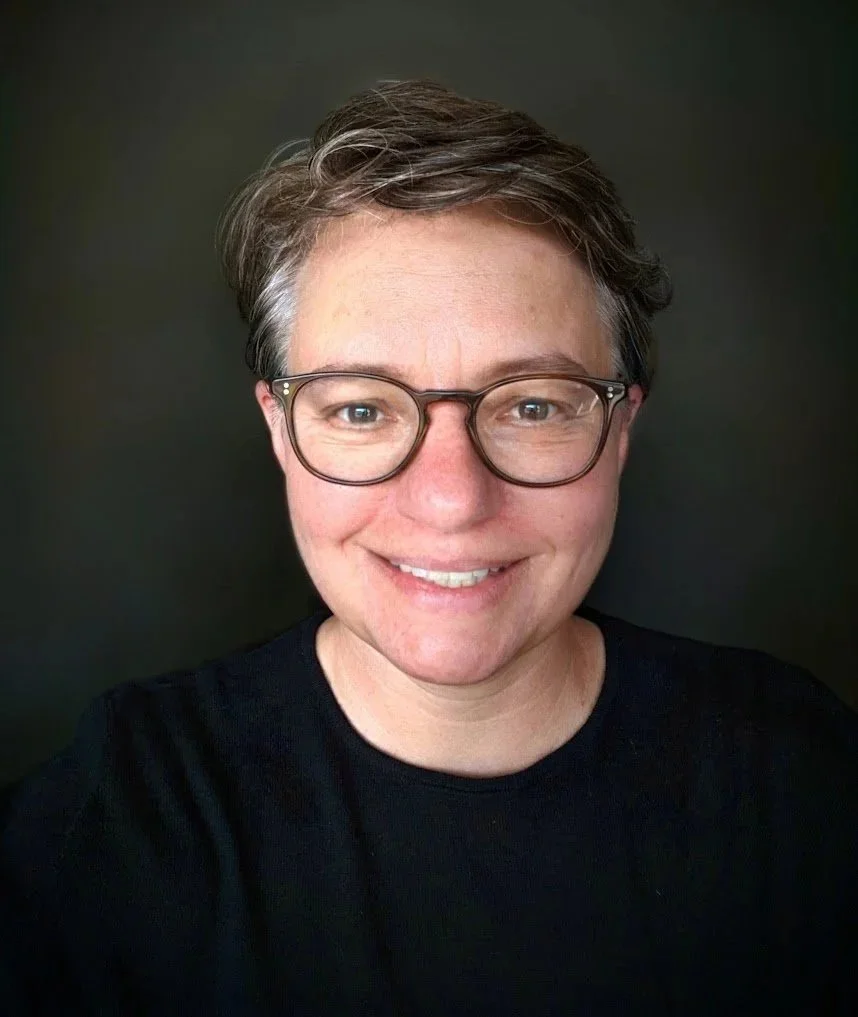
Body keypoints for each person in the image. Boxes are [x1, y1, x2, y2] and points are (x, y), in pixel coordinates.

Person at [1, 79, 855, 1016]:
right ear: (280, 430)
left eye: (533, 406)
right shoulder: (118, 820)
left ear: (619, 432)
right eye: (362, 409)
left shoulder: (801, 782)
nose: (451, 500)